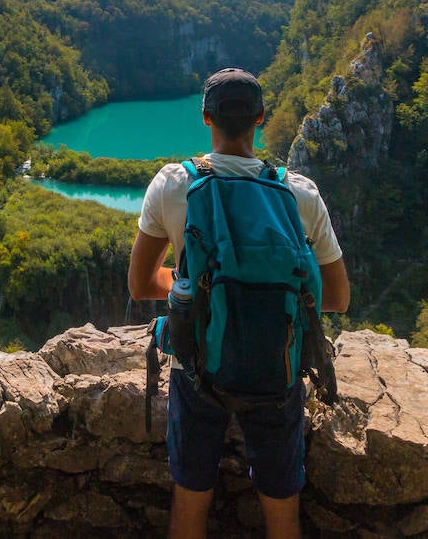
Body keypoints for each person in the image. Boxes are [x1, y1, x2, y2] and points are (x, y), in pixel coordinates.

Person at [127, 68, 350, 539]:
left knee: (190, 503)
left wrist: (198, 286)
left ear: (205, 117)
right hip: (278, 370)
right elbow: (337, 297)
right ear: (261, 118)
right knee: (282, 509)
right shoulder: (300, 193)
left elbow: (142, 284)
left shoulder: (173, 184)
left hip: (198, 369)